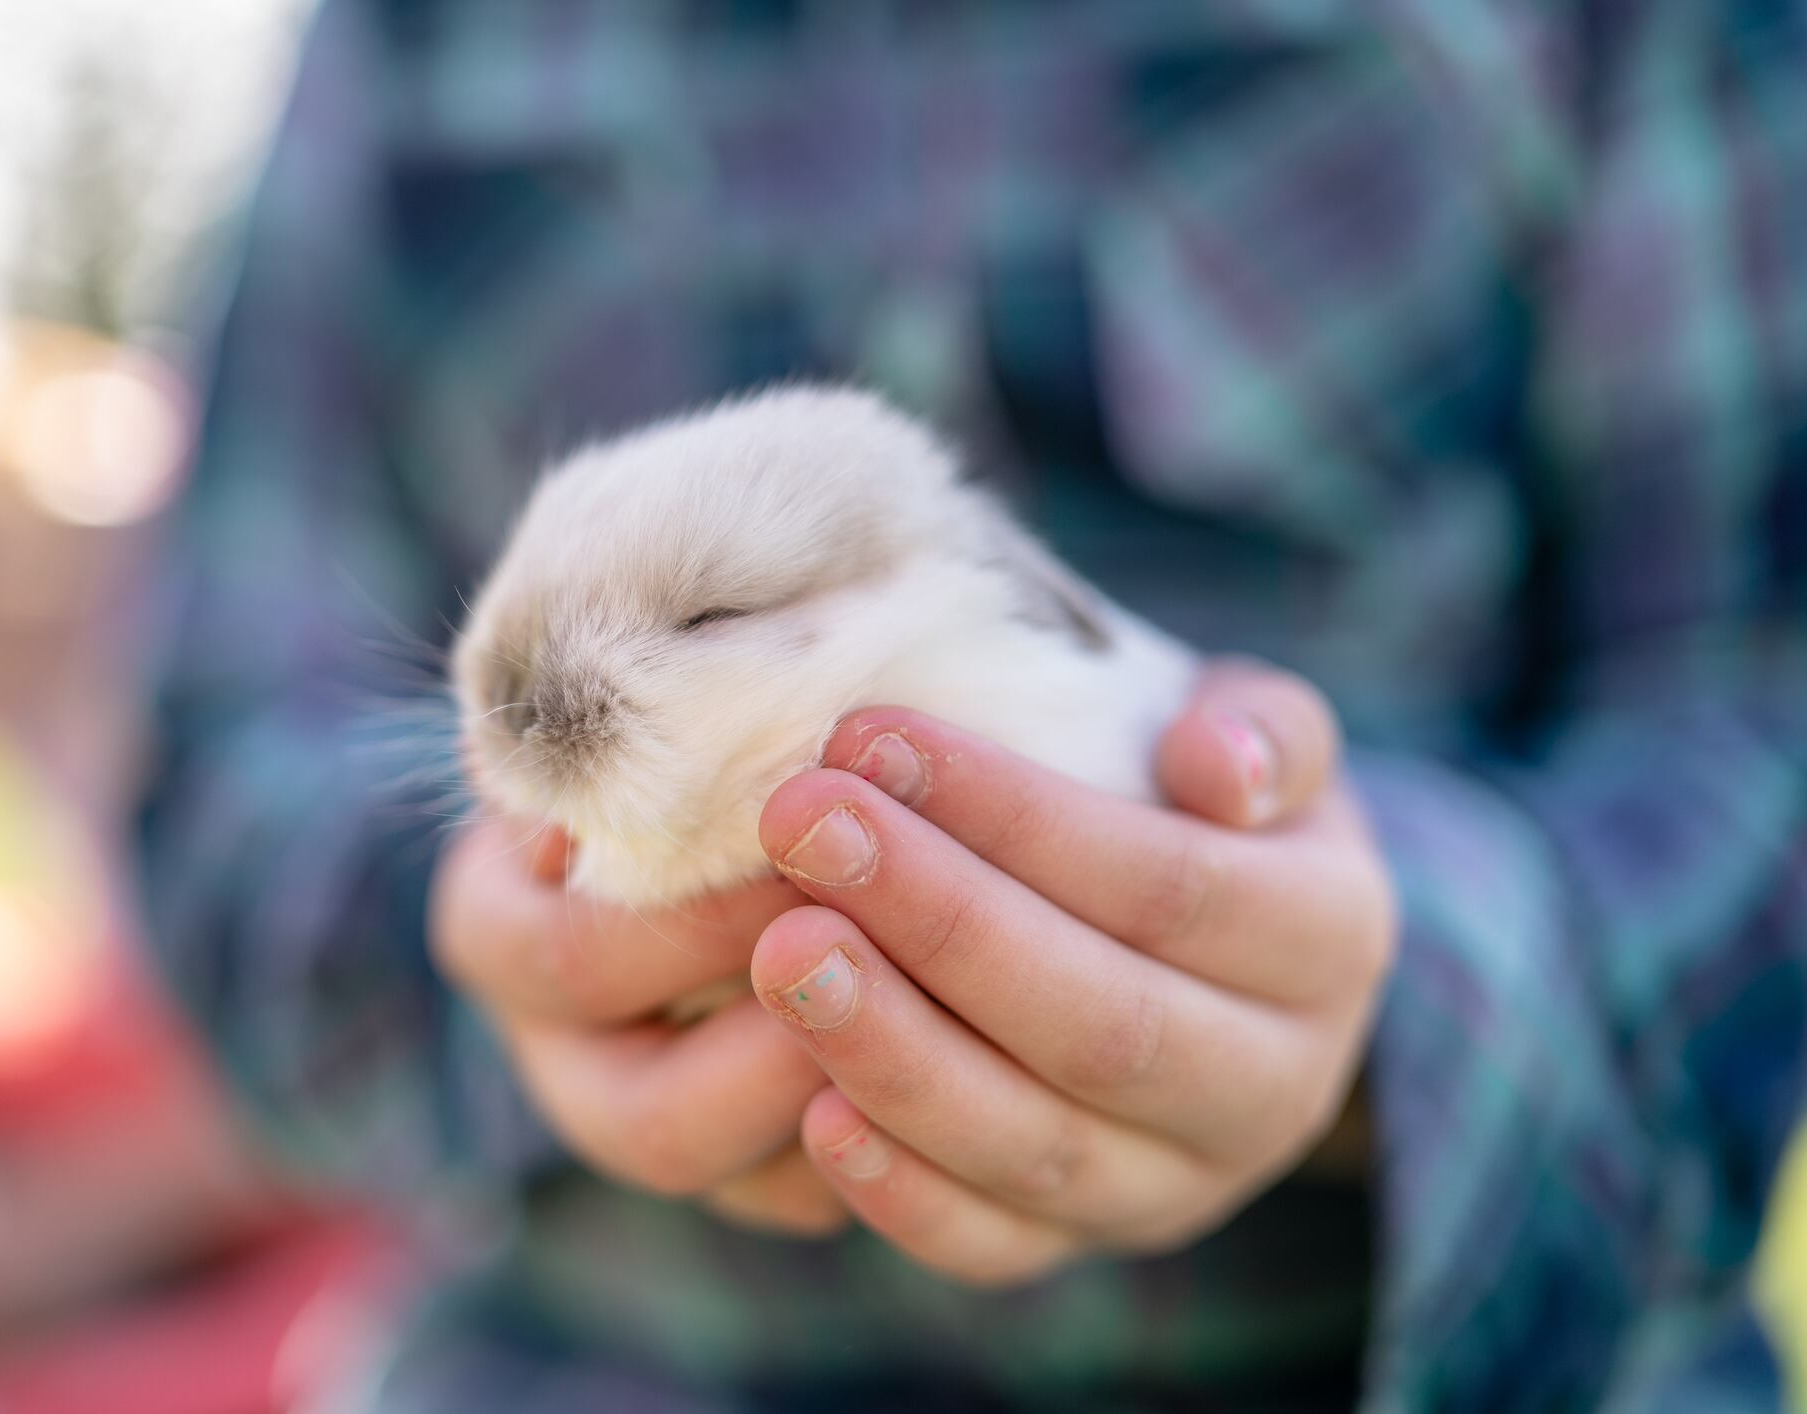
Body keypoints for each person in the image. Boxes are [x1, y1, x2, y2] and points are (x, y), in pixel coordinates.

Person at [136, 2, 1807, 1408]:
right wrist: (486, 966)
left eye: (710, 621)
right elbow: (228, 763)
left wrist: (1387, 1001)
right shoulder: (400, 37)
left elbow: (1754, 711)